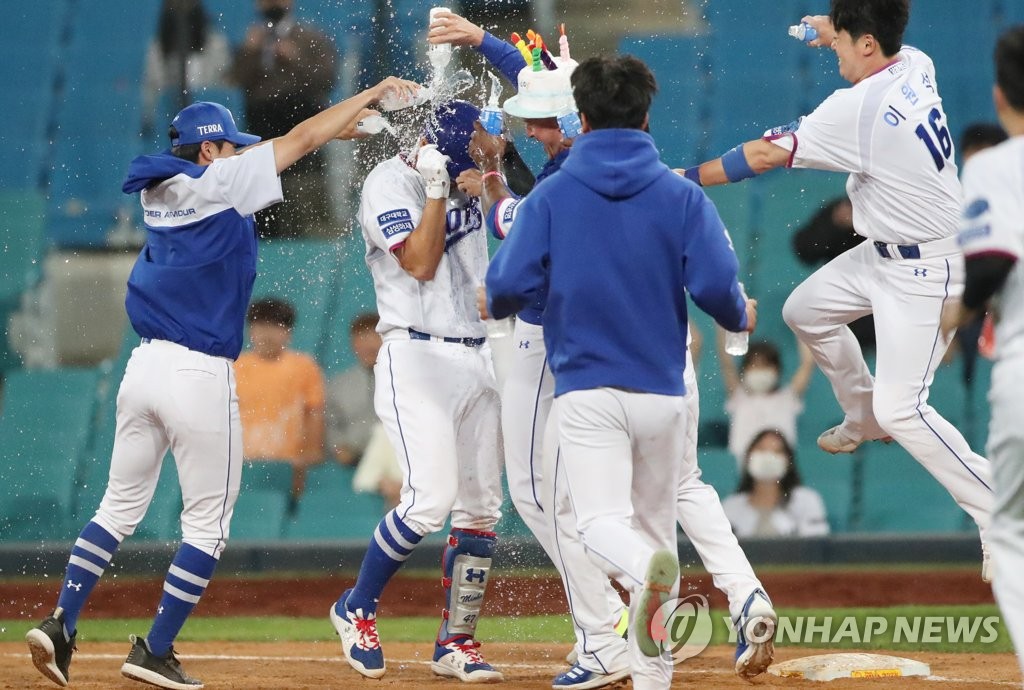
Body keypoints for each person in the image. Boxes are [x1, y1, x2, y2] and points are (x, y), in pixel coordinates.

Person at [24, 75, 420, 689]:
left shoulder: (162, 187)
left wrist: (343, 122)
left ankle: (60, 622)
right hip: (197, 372)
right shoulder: (218, 183)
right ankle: (155, 650)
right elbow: (297, 138)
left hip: (144, 366)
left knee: (116, 509)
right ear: (209, 151)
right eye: (229, 146)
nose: (239, 153)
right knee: (208, 526)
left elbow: (290, 142)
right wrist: (367, 96)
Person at [437, 11, 778, 682]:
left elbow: (507, 269)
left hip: (584, 380)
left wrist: (497, 216)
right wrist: (739, 315)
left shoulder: (558, 195)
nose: (535, 128)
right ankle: (680, 642)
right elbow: (717, 287)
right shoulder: (677, 192)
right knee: (672, 505)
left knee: (583, 517)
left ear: (581, 120)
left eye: (550, 120)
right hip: (665, 382)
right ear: (644, 118)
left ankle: (607, 629)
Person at [679, 0, 993, 577]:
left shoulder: (858, 108)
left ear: (868, 43)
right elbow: (868, 37)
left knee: (905, 410)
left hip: (929, 269)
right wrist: (834, 28)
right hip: (885, 251)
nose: (839, 53)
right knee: (805, 310)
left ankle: (998, 515)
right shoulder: (915, 62)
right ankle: (860, 414)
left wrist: (678, 179)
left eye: (846, 42)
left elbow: (762, 154)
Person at [328, 100, 505, 684]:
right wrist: (435, 191)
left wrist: (490, 178)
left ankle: (456, 642)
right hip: (417, 353)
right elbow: (422, 264)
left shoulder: (477, 179)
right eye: (481, 132)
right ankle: (356, 606)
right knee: (429, 501)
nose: (490, 140)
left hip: (481, 353)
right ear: (455, 142)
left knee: (481, 510)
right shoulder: (389, 182)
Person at [945, 24, 1024, 679]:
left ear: (1001, 95)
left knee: (1012, 533)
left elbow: (993, 260)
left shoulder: (993, 164)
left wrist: (954, 316)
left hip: (1023, 374)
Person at [232, 0, 339, 239]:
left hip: (305, 154)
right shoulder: (252, 40)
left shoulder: (310, 37)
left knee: (307, 227)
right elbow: (235, 80)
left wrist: (295, 57)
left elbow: (327, 79)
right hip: (262, 147)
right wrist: (250, 52)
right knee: (264, 230)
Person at [235, 297, 325, 498]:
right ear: (250, 330)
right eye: (260, 326)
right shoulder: (234, 366)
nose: (267, 334)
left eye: (276, 326)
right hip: (241, 463)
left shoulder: (304, 366)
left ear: (289, 332)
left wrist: (309, 456)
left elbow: (314, 414)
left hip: (288, 465)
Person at [791, 196, 876, 349]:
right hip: (844, 303)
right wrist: (836, 224)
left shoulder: (888, 212)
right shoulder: (840, 209)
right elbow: (805, 249)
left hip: (881, 298)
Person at [717, 333, 814, 467]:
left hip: (782, 469)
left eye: (765, 365)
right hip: (741, 470)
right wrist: (722, 318)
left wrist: (801, 322)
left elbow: (807, 363)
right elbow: (726, 361)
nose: (759, 370)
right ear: (744, 369)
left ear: (777, 370)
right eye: (754, 365)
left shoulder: (787, 398)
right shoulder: (739, 397)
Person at [142, 0, 231, 137]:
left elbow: (223, 89)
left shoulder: (215, 44)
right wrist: (148, 120)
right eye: (175, 4)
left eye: (188, 4)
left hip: (209, 124)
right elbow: (151, 90)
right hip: (170, 121)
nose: (182, 10)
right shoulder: (158, 50)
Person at [723, 429, 830, 537]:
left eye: (777, 451)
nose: (768, 457)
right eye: (761, 450)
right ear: (748, 458)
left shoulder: (806, 500)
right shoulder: (731, 506)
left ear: (788, 462)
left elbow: (816, 543)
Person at [325, 312, 381, 467]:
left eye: (376, 336)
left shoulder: (406, 383)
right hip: (350, 463)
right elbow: (330, 424)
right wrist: (339, 448)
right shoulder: (338, 385)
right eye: (362, 337)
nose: (370, 345)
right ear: (353, 343)